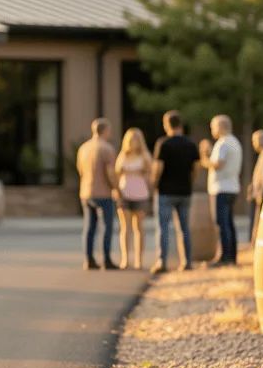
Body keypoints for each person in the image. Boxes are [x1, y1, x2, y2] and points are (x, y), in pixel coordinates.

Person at [151, 110, 199, 274]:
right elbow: (196, 168)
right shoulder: (191, 144)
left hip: (165, 191)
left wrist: (154, 184)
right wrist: (190, 182)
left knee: (163, 227)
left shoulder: (163, 144)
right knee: (184, 228)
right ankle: (186, 261)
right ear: (181, 124)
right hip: (185, 191)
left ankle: (161, 261)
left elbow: (158, 168)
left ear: (167, 125)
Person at [76, 118, 119, 270]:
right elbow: (110, 173)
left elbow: (80, 169)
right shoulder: (106, 148)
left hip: (86, 192)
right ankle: (106, 259)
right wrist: (116, 188)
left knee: (89, 227)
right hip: (103, 192)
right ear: (105, 131)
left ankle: (89, 259)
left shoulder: (83, 148)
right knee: (106, 226)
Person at [200, 114, 242, 267]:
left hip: (222, 188)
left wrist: (204, 158)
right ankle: (231, 256)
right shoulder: (234, 142)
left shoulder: (224, 143)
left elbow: (218, 163)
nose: (212, 130)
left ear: (220, 126)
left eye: (213, 126)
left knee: (222, 224)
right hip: (232, 187)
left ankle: (225, 257)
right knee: (229, 223)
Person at [115, 127, 151, 269]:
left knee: (139, 227)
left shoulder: (145, 156)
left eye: (135, 140)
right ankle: (125, 258)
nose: (133, 143)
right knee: (125, 227)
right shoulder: (122, 156)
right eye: (130, 140)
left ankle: (138, 259)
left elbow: (150, 175)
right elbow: (116, 175)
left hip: (140, 193)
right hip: (125, 193)